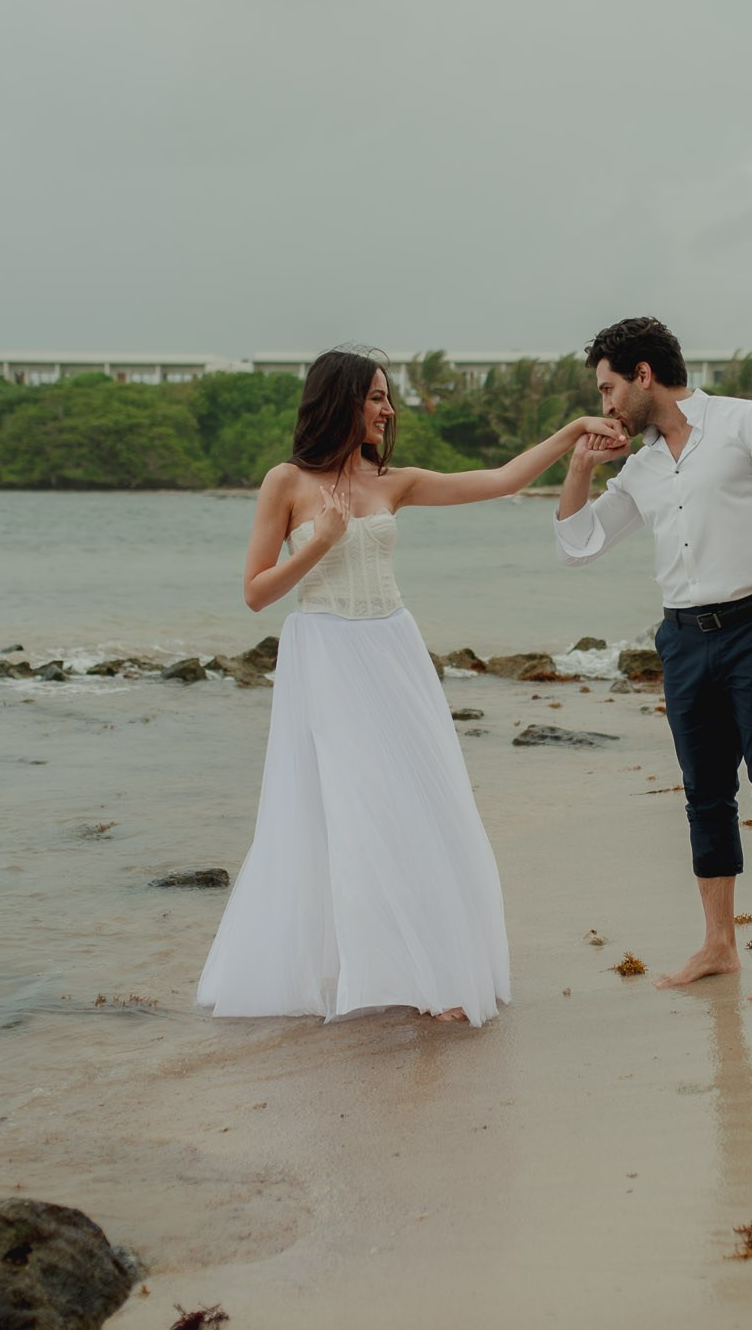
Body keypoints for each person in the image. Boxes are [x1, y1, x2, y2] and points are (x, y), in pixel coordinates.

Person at [196, 347, 625, 1027]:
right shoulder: (286, 482)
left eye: (386, 397)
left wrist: (573, 431)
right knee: (360, 811)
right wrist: (320, 541)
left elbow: (500, 480)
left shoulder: (392, 481)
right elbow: (255, 593)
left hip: (394, 650)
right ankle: (397, 974)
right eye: (376, 397)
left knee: (424, 804)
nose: (388, 410)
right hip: (327, 655)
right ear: (340, 400)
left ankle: (430, 970)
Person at [553, 317, 752, 1002]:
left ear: (643, 374)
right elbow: (578, 544)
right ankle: (718, 945)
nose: (605, 405)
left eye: (608, 389)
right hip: (682, 639)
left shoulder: (750, 424)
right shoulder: (641, 466)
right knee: (704, 794)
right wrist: (581, 464)